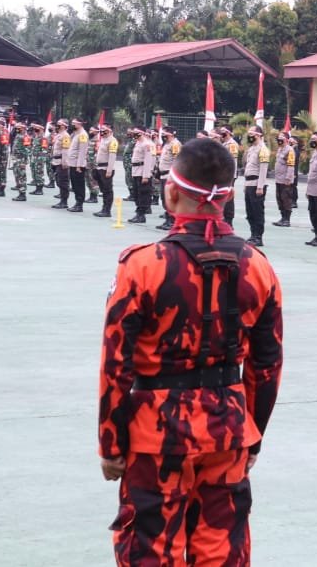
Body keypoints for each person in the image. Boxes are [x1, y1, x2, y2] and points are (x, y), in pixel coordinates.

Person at [98, 137, 283, 567]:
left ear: (171, 191)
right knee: (221, 549)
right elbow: (267, 364)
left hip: (154, 432)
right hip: (229, 427)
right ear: (229, 197)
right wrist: (252, 434)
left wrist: (110, 441)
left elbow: (115, 364)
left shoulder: (142, 266)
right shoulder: (257, 266)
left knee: (151, 549)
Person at [242, 126, 270, 246]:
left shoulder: (263, 149)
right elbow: (248, 167)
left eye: (251, 134)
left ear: (258, 135)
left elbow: (263, 169)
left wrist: (260, 186)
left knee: (257, 212)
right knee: (250, 212)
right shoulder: (251, 149)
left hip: (257, 184)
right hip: (249, 183)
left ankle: (258, 236)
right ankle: (253, 234)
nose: (249, 136)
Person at [156, 128, 183, 230]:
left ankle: (172, 221)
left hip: (170, 175)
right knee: (164, 198)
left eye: (165, 134)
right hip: (163, 175)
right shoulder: (167, 144)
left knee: (170, 199)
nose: (163, 136)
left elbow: (177, 161)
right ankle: (168, 220)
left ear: (171, 134)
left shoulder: (175, 144)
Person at [128, 128, 154, 224]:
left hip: (142, 171)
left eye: (136, 133)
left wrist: (146, 175)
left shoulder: (147, 144)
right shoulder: (138, 143)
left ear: (142, 133)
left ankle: (141, 214)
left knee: (143, 194)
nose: (134, 134)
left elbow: (148, 161)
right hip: (136, 171)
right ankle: (138, 213)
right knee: (136, 193)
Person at [93, 125, 119, 218]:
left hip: (106, 168)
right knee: (103, 190)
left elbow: (112, 156)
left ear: (110, 131)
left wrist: (109, 170)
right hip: (99, 168)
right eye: (101, 130)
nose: (102, 132)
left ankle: (107, 210)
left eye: (104, 131)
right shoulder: (103, 140)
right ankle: (104, 208)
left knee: (108, 190)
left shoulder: (112, 141)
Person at [272, 131, 297, 227]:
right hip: (278, 179)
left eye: (282, 137)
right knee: (279, 199)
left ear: (286, 139)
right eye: (279, 137)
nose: (279, 139)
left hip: (285, 180)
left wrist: (288, 178)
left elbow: (291, 165)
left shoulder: (289, 150)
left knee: (286, 199)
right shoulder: (280, 149)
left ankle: (287, 219)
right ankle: (282, 217)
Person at [67, 119, 89, 212]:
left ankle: (79, 204)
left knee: (79, 185)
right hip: (73, 163)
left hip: (78, 165)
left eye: (74, 124)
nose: (72, 125)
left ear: (79, 124)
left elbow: (82, 151)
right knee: (74, 184)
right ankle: (77, 203)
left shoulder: (83, 135)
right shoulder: (76, 134)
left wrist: (79, 165)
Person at [51, 119, 70, 208]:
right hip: (55, 161)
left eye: (59, 124)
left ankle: (64, 201)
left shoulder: (65, 136)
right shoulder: (58, 135)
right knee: (58, 181)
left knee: (63, 182)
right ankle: (62, 200)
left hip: (61, 161)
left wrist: (64, 162)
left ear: (63, 125)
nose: (57, 125)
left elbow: (65, 150)